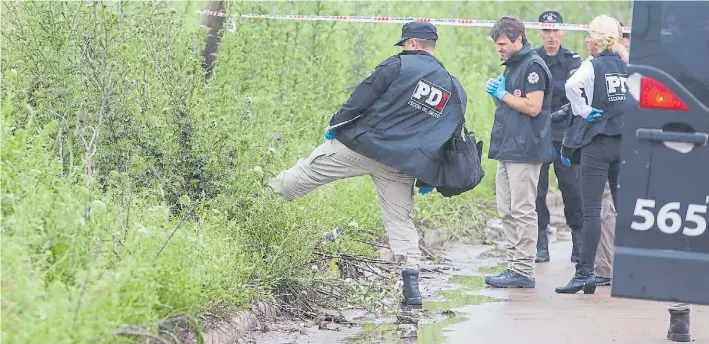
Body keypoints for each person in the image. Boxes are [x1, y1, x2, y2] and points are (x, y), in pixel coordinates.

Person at [268, 22, 470, 307]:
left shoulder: (396, 66)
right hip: (401, 166)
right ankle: (412, 288)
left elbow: (359, 100)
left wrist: (335, 125)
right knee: (400, 221)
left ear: (412, 43)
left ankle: (261, 198)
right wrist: (426, 178)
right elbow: (445, 139)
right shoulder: (454, 89)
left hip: (361, 147)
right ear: (431, 46)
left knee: (308, 171)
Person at [555, 15, 629, 294]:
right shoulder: (627, 65)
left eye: (589, 35)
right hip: (624, 142)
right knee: (624, 210)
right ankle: (630, 269)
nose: (586, 40)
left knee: (591, 212)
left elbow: (571, 87)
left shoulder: (592, 65)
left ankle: (585, 274)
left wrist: (584, 110)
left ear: (597, 40)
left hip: (598, 144)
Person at [483, 16, 553, 288]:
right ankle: (514, 264)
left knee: (522, 209)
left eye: (501, 43)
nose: (497, 49)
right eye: (496, 44)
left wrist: (503, 95)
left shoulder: (532, 66)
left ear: (517, 39)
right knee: (506, 209)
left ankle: (524, 269)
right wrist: (497, 94)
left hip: (525, 148)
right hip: (508, 146)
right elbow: (511, 106)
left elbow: (533, 107)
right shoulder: (513, 66)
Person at [533, 10, 584, 263]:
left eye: (555, 31)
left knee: (572, 190)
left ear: (562, 31)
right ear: (539, 32)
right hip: (539, 135)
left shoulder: (572, 59)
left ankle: (578, 240)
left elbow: (577, 91)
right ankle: (541, 242)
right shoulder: (532, 59)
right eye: (546, 31)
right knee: (537, 192)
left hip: (566, 137)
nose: (551, 36)